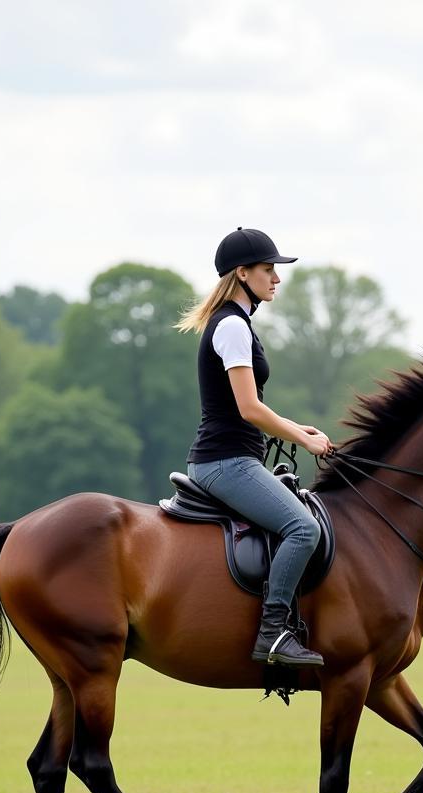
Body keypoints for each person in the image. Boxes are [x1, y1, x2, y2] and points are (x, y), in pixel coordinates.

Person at [177, 227, 332, 668]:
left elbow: (250, 407)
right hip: (225, 462)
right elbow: (249, 408)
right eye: (269, 270)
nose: (277, 278)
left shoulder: (236, 324)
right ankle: (274, 633)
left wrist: (291, 425)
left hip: (233, 457)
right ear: (242, 273)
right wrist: (300, 437)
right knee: (305, 529)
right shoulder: (231, 327)